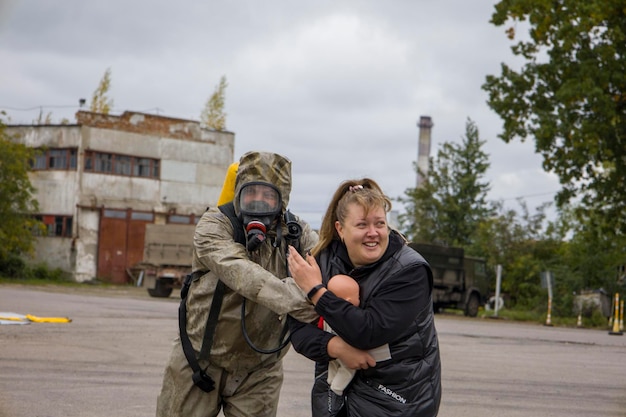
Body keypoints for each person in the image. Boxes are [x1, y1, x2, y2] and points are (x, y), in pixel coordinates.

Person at [156, 151, 319, 417]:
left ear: (282, 200)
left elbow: (332, 255)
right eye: (251, 192)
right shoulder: (213, 225)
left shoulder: (295, 232)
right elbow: (245, 276)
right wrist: (315, 302)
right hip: (199, 361)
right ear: (238, 192)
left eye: (269, 195)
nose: (259, 201)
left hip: (261, 371)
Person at [287, 178, 441, 416]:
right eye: (362, 225)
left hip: (397, 400)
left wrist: (317, 291)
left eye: (379, 223)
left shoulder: (410, 271)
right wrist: (334, 346)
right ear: (340, 229)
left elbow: (369, 332)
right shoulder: (322, 260)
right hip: (333, 395)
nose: (373, 233)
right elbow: (296, 328)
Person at [322, 274, 391, 397]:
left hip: (331, 351)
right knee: (347, 370)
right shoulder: (352, 317)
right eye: (358, 296)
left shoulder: (328, 313)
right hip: (350, 354)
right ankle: (337, 387)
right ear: (349, 301)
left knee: (333, 363)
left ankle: (330, 380)